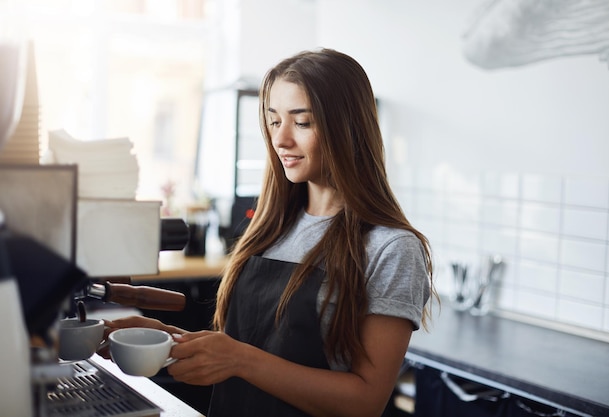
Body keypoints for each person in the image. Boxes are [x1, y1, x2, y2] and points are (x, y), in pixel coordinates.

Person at [103, 48, 436, 417]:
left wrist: (240, 360)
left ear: (348, 127)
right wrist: (166, 340)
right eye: (274, 121)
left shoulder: (391, 248)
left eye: (302, 122)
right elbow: (242, 349)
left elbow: (365, 402)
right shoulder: (270, 228)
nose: (281, 140)